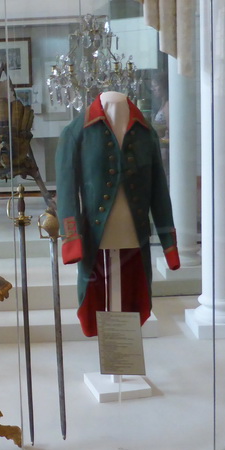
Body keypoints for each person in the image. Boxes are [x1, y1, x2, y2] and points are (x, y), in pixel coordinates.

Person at [55, 92, 179, 337]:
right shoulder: (76, 132)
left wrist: (169, 245)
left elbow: (160, 193)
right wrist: (71, 240)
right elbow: (67, 193)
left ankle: (123, 358)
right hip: (95, 236)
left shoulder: (146, 134)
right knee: (95, 298)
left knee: (134, 297)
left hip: (135, 235)